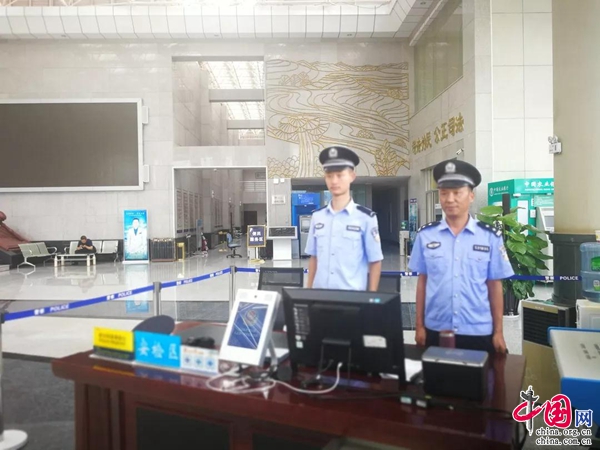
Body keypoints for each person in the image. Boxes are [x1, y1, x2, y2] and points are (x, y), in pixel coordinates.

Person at [408, 159, 514, 354]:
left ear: (471, 195)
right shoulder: (425, 236)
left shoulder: (489, 236)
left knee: (480, 375)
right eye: (444, 193)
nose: (449, 199)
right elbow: (423, 283)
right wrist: (419, 326)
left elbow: (494, 286)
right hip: (436, 329)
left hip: (478, 330)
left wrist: (499, 332)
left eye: (457, 192)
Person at [305, 146, 383, 292]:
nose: (334, 181)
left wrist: (371, 298)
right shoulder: (317, 217)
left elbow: (375, 261)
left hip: (351, 298)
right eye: (329, 176)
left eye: (340, 175)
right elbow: (314, 258)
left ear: (352, 176)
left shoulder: (366, 218)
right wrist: (308, 293)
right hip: (320, 297)